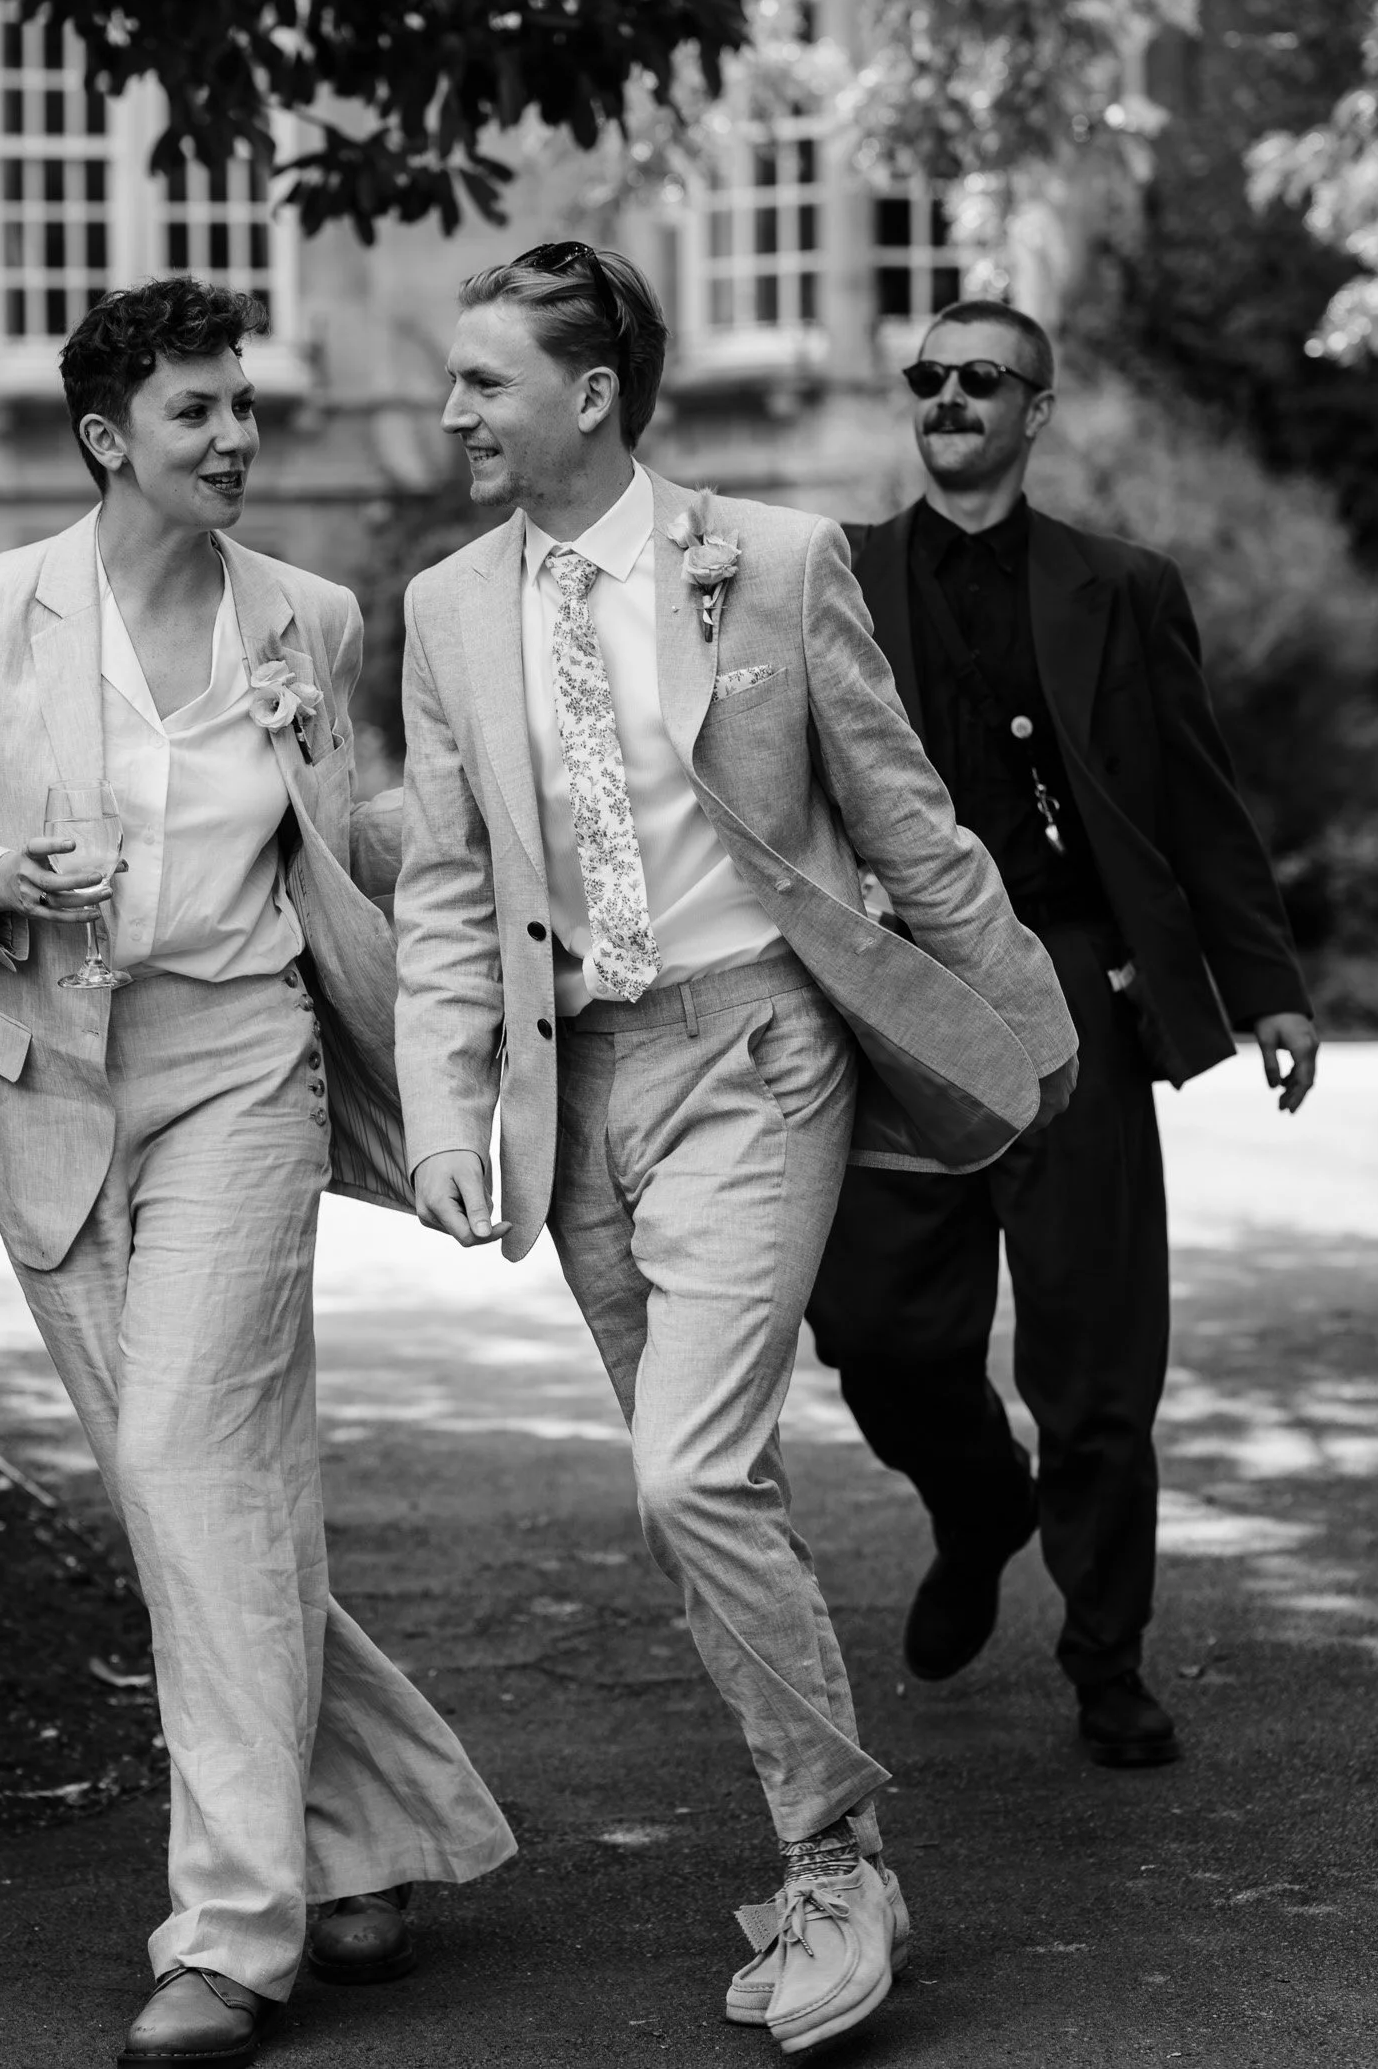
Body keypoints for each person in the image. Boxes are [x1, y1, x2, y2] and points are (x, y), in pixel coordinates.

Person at [393, 244, 1079, 2052]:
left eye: (482, 380)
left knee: (686, 1474)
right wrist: (450, 1106)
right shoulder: (448, 608)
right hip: (576, 1098)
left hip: (759, 1055)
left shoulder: (770, 562)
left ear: (591, 394)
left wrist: (1027, 1030)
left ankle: (841, 1861)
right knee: (706, 1495)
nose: (451, 409)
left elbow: (903, 817)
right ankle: (818, 1844)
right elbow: (455, 891)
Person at [0, 278, 514, 2067]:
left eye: (244, 405)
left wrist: (480, 821)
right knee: (199, 1506)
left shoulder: (304, 616)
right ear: (105, 441)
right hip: (45, 1088)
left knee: (181, 1461)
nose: (237, 434)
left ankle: (233, 1935)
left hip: (245, 1067)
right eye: (197, 414)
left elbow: (360, 828)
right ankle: (375, 1825)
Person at [804, 297, 1318, 1770]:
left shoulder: (1122, 587)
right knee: (874, 1328)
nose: (949, 397)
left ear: (1035, 411)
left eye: (981, 379)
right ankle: (977, 1508)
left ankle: (1107, 1658)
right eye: (929, 378)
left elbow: (1193, 796)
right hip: (899, 1001)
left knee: (1098, 1350)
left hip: (1070, 989)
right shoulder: (830, 574)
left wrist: (1262, 980)